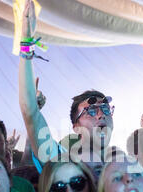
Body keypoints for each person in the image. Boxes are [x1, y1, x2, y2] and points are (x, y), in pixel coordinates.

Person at [18, 0, 115, 180]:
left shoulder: (124, 167)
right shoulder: (62, 162)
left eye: (106, 109)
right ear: (76, 128)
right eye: (91, 111)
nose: (101, 115)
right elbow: (30, 113)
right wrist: (26, 42)